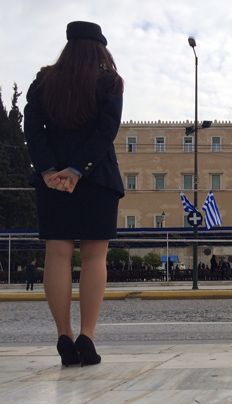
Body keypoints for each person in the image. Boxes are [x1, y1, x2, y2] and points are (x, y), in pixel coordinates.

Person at [24, 21, 123, 367]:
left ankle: (64, 336)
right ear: (100, 48)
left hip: (53, 180)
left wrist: (50, 169)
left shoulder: (43, 80)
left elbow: (32, 131)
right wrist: (79, 168)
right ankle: (87, 337)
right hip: (96, 178)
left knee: (58, 254)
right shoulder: (109, 81)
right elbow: (106, 131)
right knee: (95, 257)